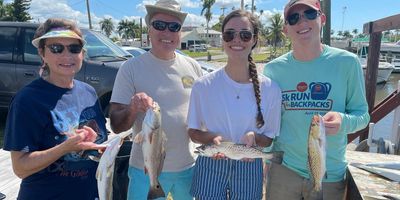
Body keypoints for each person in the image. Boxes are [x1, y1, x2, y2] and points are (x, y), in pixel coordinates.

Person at [263, 0, 370, 199]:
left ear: (322, 18)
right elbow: (271, 122)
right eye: (294, 18)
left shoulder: (347, 62)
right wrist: (267, 162)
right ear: (286, 29)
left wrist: (342, 121)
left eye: (309, 14)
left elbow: (363, 116)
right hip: (284, 171)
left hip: (329, 173)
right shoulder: (273, 70)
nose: (302, 21)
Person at [3, 18, 107, 200]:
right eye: (56, 48)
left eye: (74, 48)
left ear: (82, 53)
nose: (67, 55)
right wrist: (64, 148)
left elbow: (96, 144)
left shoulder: (88, 92)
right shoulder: (28, 100)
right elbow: (20, 168)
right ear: (42, 53)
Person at [108, 0, 202, 199]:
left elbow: (203, 115)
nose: (166, 32)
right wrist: (132, 108)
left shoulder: (193, 66)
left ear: (180, 32)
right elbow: (116, 125)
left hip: (187, 168)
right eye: (159, 25)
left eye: (174, 26)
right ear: (149, 29)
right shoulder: (130, 68)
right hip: (145, 170)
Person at [187, 10, 282, 199]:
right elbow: (193, 132)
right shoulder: (203, 85)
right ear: (222, 39)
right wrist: (212, 139)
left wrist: (254, 137)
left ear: (254, 40)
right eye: (229, 34)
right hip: (210, 165)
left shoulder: (271, 89)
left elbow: (269, 138)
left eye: (245, 35)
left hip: (249, 164)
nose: (236, 40)